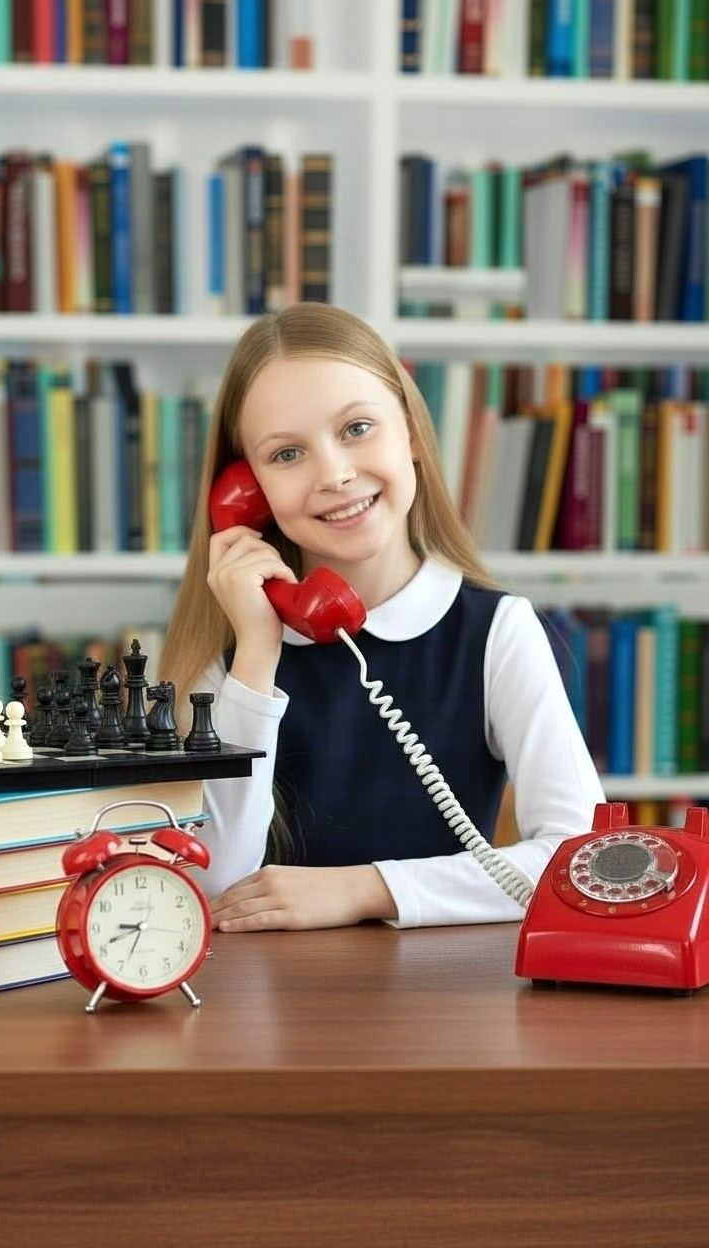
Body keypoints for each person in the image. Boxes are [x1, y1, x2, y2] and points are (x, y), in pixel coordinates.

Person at [158, 304, 604, 932]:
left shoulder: (496, 631)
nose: (335, 474)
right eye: (287, 454)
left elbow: (581, 860)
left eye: (357, 428)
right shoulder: (229, 650)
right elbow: (212, 884)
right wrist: (256, 653)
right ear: (246, 490)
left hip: (438, 985)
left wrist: (368, 888)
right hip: (267, 988)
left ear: (411, 433)